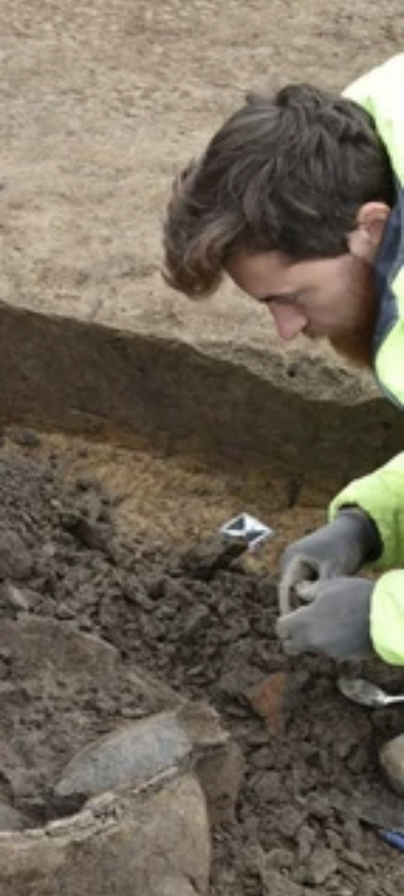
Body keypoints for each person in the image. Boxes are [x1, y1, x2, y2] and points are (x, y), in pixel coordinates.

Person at [162, 60, 404, 667]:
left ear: (370, 228)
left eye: (291, 298)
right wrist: (372, 519)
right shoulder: (362, 144)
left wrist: (386, 616)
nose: (287, 333)